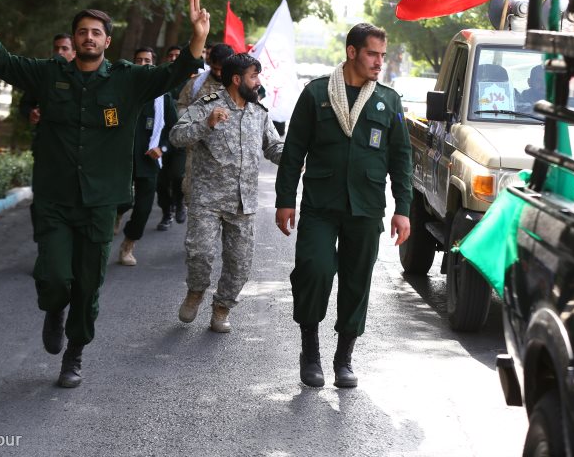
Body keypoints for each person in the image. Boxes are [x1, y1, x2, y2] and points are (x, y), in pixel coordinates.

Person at [0, 0, 208, 388]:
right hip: (56, 198)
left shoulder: (128, 80)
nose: (88, 37)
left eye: (96, 32)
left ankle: (74, 353)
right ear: (74, 39)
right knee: (54, 277)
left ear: (107, 41)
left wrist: (198, 37)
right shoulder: (50, 75)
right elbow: (1, 61)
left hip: (100, 202)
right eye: (82, 32)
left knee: (88, 283)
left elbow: (175, 73)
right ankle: (53, 309)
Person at [274, 22, 412, 389]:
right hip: (320, 204)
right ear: (352, 52)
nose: (379, 61)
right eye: (372, 54)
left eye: (382, 55)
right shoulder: (316, 93)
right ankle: (310, 350)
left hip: (366, 207)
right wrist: (285, 199)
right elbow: (294, 150)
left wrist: (403, 208)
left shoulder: (389, 100)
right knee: (314, 270)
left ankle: (344, 358)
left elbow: (401, 157)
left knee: (357, 281)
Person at [170, 53, 284, 333]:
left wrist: (297, 156)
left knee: (239, 263)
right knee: (200, 253)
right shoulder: (208, 105)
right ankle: (196, 291)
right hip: (207, 198)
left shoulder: (259, 112)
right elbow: (176, 136)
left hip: (243, 202)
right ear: (236, 79)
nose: (258, 82)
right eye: (253, 77)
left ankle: (222, 308)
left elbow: (273, 147)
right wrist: (206, 124)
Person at [115, 47, 178, 264]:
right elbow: (108, 117)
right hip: (121, 158)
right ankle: (117, 213)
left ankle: (128, 246)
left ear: (154, 65)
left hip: (149, 161)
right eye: (138, 60)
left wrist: (163, 148)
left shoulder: (163, 97)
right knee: (121, 201)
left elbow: (174, 130)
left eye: (147, 61)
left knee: (143, 209)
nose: (142, 64)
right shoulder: (119, 91)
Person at [175, 43, 235, 225]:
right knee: (194, 198)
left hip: (230, 153)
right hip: (198, 151)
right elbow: (183, 107)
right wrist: (199, 118)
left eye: (222, 69)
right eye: (215, 68)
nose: (218, 73)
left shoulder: (239, 84)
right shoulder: (197, 83)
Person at [156, 45, 187, 230]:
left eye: (178, 55)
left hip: (181, 138)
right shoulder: (160, 79)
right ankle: (166, 213)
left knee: (177, 176)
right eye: (171, 55)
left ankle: (179, 201)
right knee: (160, 182)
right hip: (159, 139)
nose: (174, 58)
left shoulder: (193, 81)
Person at [18, 34, 76, 125]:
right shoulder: (44, 74)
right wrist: (31, 113)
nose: (59, 52)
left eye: (64, 48)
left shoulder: (82, 76)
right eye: (56, 48)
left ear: (74, 53)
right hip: (47, 131)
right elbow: (25, 104)